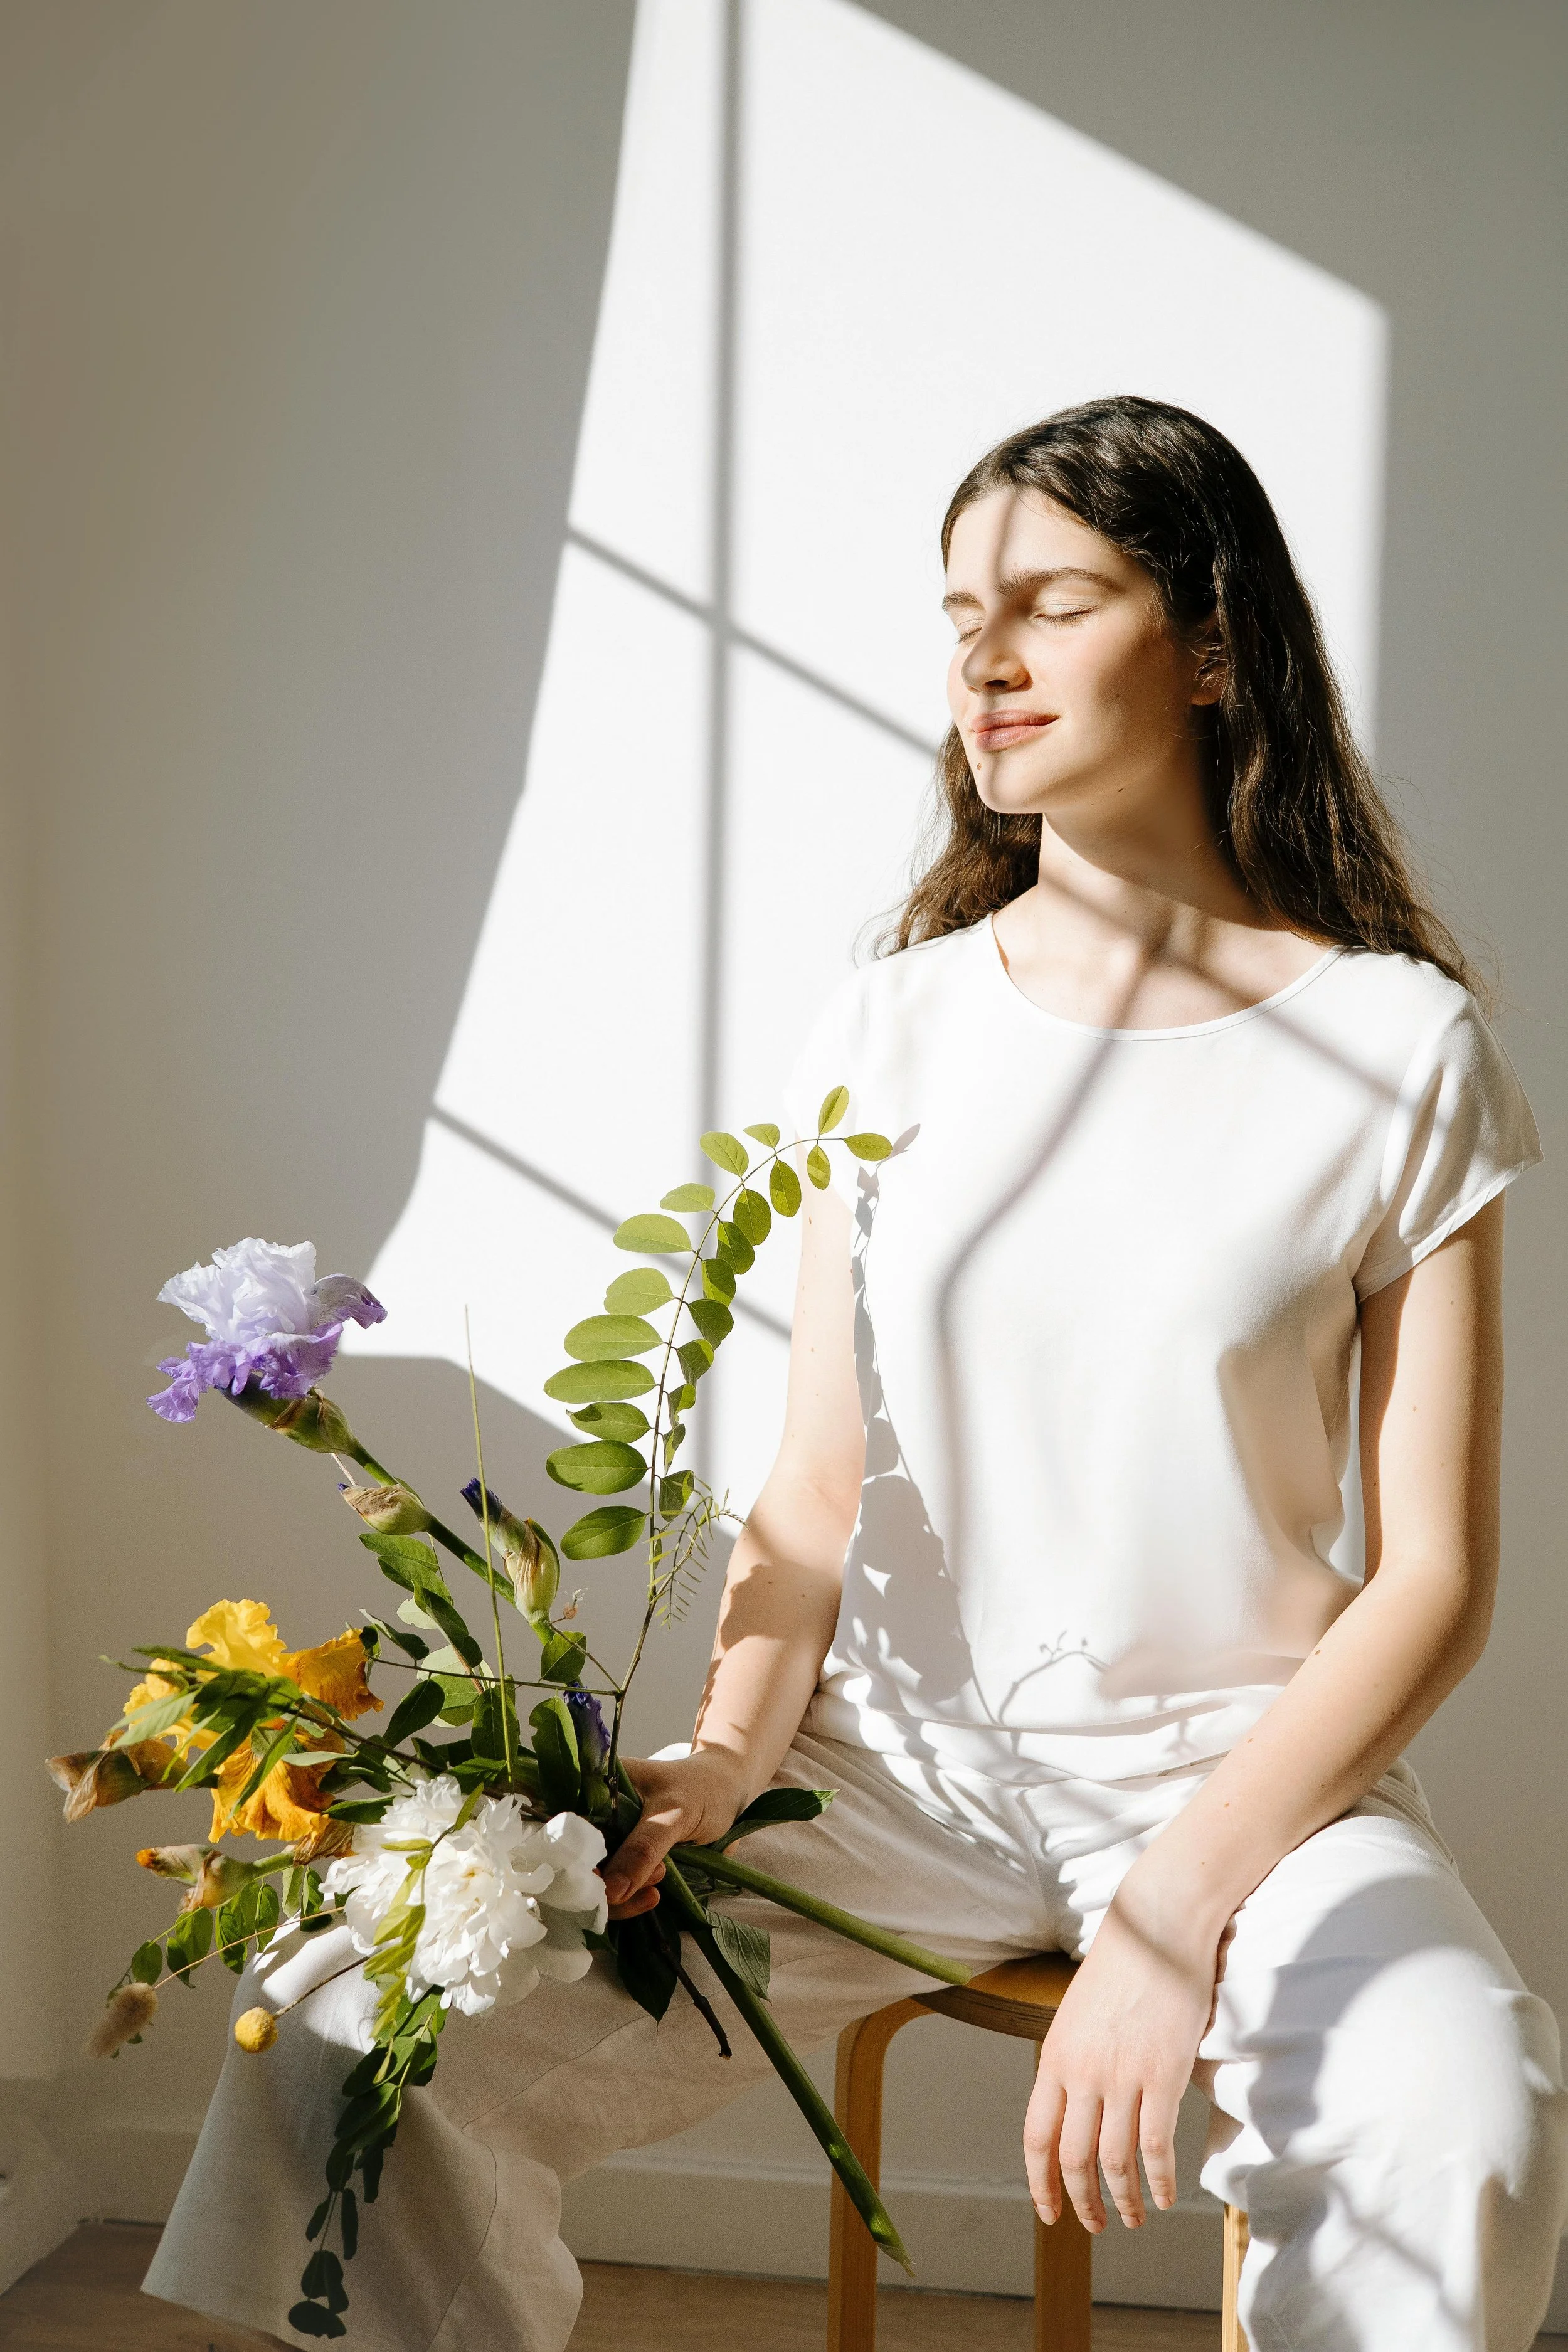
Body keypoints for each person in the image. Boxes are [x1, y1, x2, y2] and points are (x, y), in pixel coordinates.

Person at [148, 397, 1568, 2351]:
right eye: (957, 611)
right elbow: (812, 1492)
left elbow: (1432, 1581)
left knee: (1462, 2105)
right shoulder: (888, 1030)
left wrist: (1166, 1914)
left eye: (1053, 602)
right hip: (874, 1782)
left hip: (1247, 1795)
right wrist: (723, 1758)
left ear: (1216, 639)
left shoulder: (1397, 1049)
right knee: (338, 2044)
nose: (986, 657)